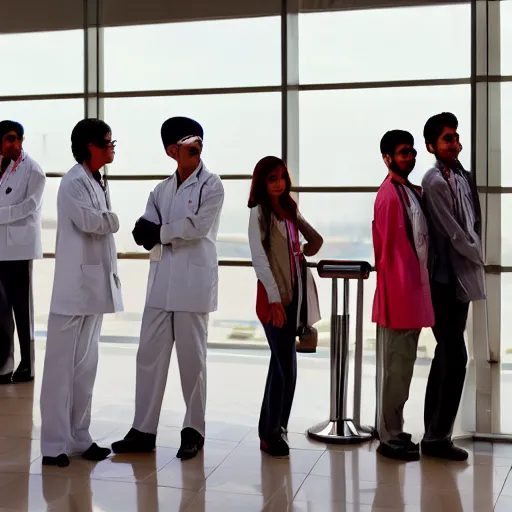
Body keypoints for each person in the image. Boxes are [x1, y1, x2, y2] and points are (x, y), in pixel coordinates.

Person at [111, 116, 224, 461]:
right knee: (148, 358)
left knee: (193, 363)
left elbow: (196, 227)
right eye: (190, 142)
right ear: (172, 150)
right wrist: (157, 231)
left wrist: (160, 232)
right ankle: (143, 430)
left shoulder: (212, 185)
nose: (198, 146)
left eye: (200, 141)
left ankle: (194, 430)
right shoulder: (159, 190)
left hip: (193, 287)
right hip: (160, 285)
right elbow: (144, 227)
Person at [40, 119, 123, 467]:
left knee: (86, 365)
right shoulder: (73, 182)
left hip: (92, 288)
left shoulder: (96, 180)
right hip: (73, 290)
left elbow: (98, 223)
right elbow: (93, 223)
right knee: (61, 368)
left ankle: (80, 435)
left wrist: (106, 219)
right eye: (107, 142)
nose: (112, 147)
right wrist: (113, 219)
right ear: (89, 146)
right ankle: (54, 444)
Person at [248, 156, 322, 457]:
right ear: (262, 183)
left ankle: (275, 428)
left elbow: (315, 240)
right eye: (272, 179)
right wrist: (275, 300)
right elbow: (260, 259)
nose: (278, 183)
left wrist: (301, 248)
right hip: (273, 300)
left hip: (294, 298)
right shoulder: (259, 213)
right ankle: (271, 432)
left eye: (282, 177)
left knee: (279, 366)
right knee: (286, 368)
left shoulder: (288, 210)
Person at [421, 112, 485, 461]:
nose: (455, 143)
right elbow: (452, 230)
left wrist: (474, 251)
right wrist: (476, 251)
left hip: (460, 275)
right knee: (456, 356)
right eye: (447, 139)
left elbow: (473, 218)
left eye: (456, 137)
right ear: (432, 145)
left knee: (446, 354)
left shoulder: (462, 176)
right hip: (442, 279)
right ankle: (437, 437)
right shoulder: (435, 181)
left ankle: (434, 435)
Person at [372, 130, 434, 462]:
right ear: (387, 158)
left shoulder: (408, 192)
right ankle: (389, 436)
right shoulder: (389, 196)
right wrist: (401, 302)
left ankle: (395, 429)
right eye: (401, 153)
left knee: (403, 368)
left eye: (411, 152)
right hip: (399, 299)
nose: (409, 157)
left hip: (410, 295)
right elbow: (388, 254)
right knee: (396, 368)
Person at [0, 121, 45, 385]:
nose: (12, 145)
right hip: (1, 249)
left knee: (22, 311)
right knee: (1, 312)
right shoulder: (1, 167)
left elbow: (29, 207)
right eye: (7, 139)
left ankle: (27, 365)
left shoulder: (34, 171)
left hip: (20, 249)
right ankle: (3, 366)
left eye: (15, 139)